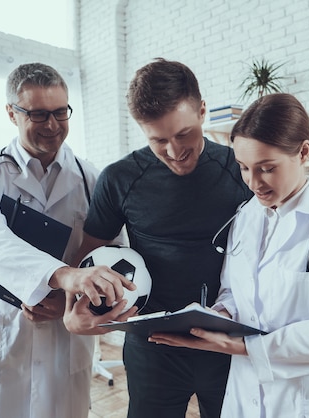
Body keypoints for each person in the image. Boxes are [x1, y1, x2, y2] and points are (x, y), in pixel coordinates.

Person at [149, 93, 309, 417]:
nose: (254, 183)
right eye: (244, 167)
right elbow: (233, 292)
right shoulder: (245, 216)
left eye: (267, 168)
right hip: (245, 394)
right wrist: (214, 317)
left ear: (303, 152)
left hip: (308, 400)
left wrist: (240, 347)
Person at [65, 58, 253, 418]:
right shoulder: (119, 179)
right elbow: (87, 260)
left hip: (227, 344)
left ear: (201, 111)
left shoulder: (239, 170)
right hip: (153, 348)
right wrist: (71, 315)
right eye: (158, 140)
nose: (173, 150)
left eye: (183, 134)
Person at [0, 62, 136, 418]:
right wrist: (64, 277)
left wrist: (71, 297)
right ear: (11, 113)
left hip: (64, 333)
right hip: (2, 330)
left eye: (60, 112)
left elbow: (113, 256)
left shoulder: (93, 180)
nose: (52, 125)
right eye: (38, 114)